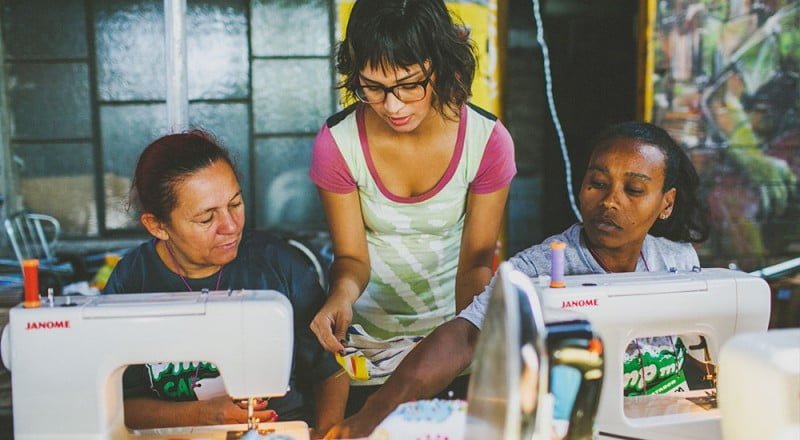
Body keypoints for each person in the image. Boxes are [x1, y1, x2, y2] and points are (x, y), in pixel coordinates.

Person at [323, 121, 710, 438]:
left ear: (666, 203)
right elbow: (466, 335)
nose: (610, 201)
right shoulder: (537, 267)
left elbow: (702, 353)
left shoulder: (676, 261)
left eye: (635, 190)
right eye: (597, 183)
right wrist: (375, 412)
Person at [308, 0, 516, 411]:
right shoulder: (338, 145)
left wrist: (472, 340)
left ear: (440, 64)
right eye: (373, 86)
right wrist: (340, 297)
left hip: (451, 347)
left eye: (410, 84)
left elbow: (476, 262)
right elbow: (352, 257)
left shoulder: (487, 142)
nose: (393, 106)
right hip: (367, 353)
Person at [103, 130, 349, 436]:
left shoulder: (279, 265)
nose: (231, 227)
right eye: (206, 218)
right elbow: (116, 402)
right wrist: (206, 414)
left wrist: (327, 433)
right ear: (158, 226)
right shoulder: (132, 282)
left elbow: (331, 369)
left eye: (235, 204)